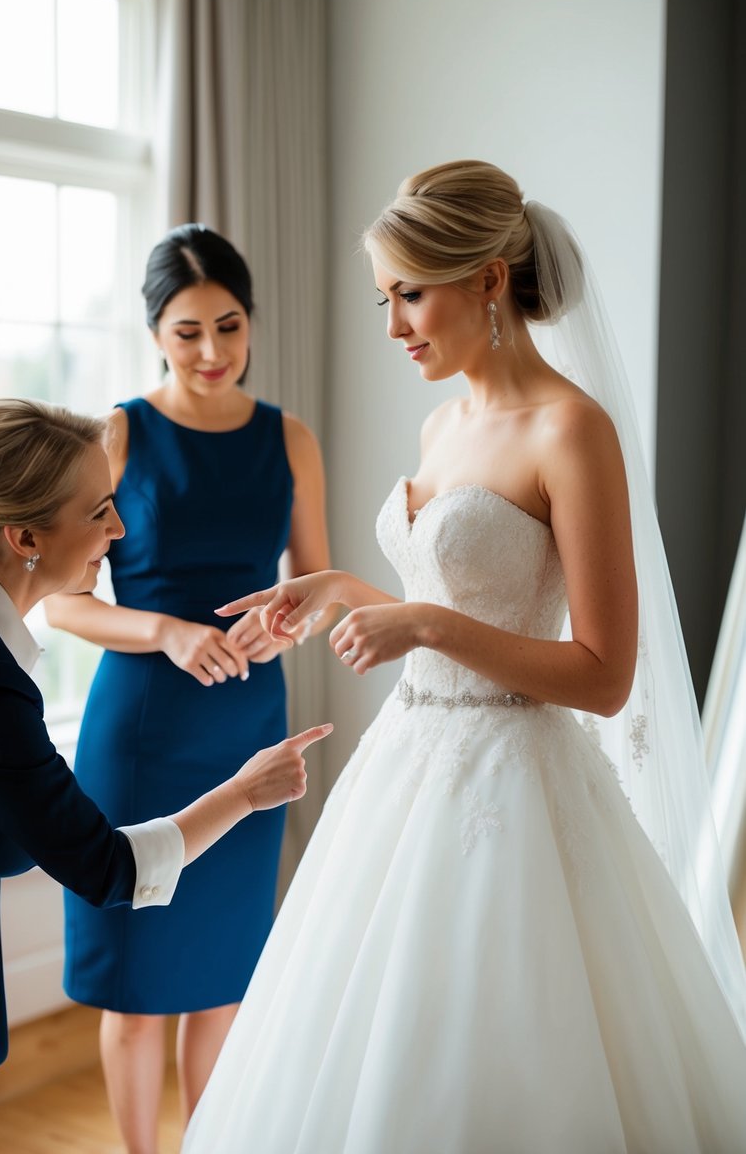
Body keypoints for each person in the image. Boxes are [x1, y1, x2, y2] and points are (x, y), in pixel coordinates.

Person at [181, 161, 746, 1153]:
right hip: (405, 766)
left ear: (488, 279)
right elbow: (447, 595)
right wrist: (342, 593)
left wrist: (425, 628)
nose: (393, 325)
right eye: (383, 298)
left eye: (410, 293)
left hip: (518, 783)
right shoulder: (442, 422)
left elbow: (604, 674)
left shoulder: (572, 430)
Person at [0, 396, 331, 1154]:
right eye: (101, 510)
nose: (119, 530)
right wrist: (246, 791)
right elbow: (108, 868)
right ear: (24, 537)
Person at [43, 224, 331, 1150]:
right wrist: (164, 630)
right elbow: (61, 604)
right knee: (135, 987)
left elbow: (316, 587)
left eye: (229, 325)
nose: (212, 352)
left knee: (221, 982)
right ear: (154, 333)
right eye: (186, 332)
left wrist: (288, 615)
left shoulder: (290, 439)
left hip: (249, 722)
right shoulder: (118, 433)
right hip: (141, 733)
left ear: (250, 322)